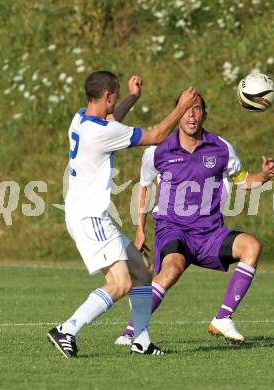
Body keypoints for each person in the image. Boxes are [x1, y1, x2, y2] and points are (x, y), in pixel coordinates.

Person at [47, 71, 198, 358]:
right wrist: (181, 107)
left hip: (87, 214)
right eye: (115, 96)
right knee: (121, 283)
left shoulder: (81, 118)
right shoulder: (102, 133)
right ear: (107, 96)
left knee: (142, 271)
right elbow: (155, 136)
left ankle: (140, 340)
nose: (116, 101)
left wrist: (133, 97)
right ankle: (67, 329)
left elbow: (112, 120)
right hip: (90, 218)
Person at [116, 93, 274, 345]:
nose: (191, 114)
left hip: (210, 233)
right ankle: (130, 331)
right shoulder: (158, 150)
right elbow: (145, 187)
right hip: (173, 228)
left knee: (252, 246)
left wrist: (265, 176)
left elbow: (244, 181)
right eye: (186, 109)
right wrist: (140, 229)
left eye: (197, 109)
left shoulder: (221, 148)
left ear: (205, 114)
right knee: (172, 268)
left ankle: (223, 318)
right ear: (177, 113)